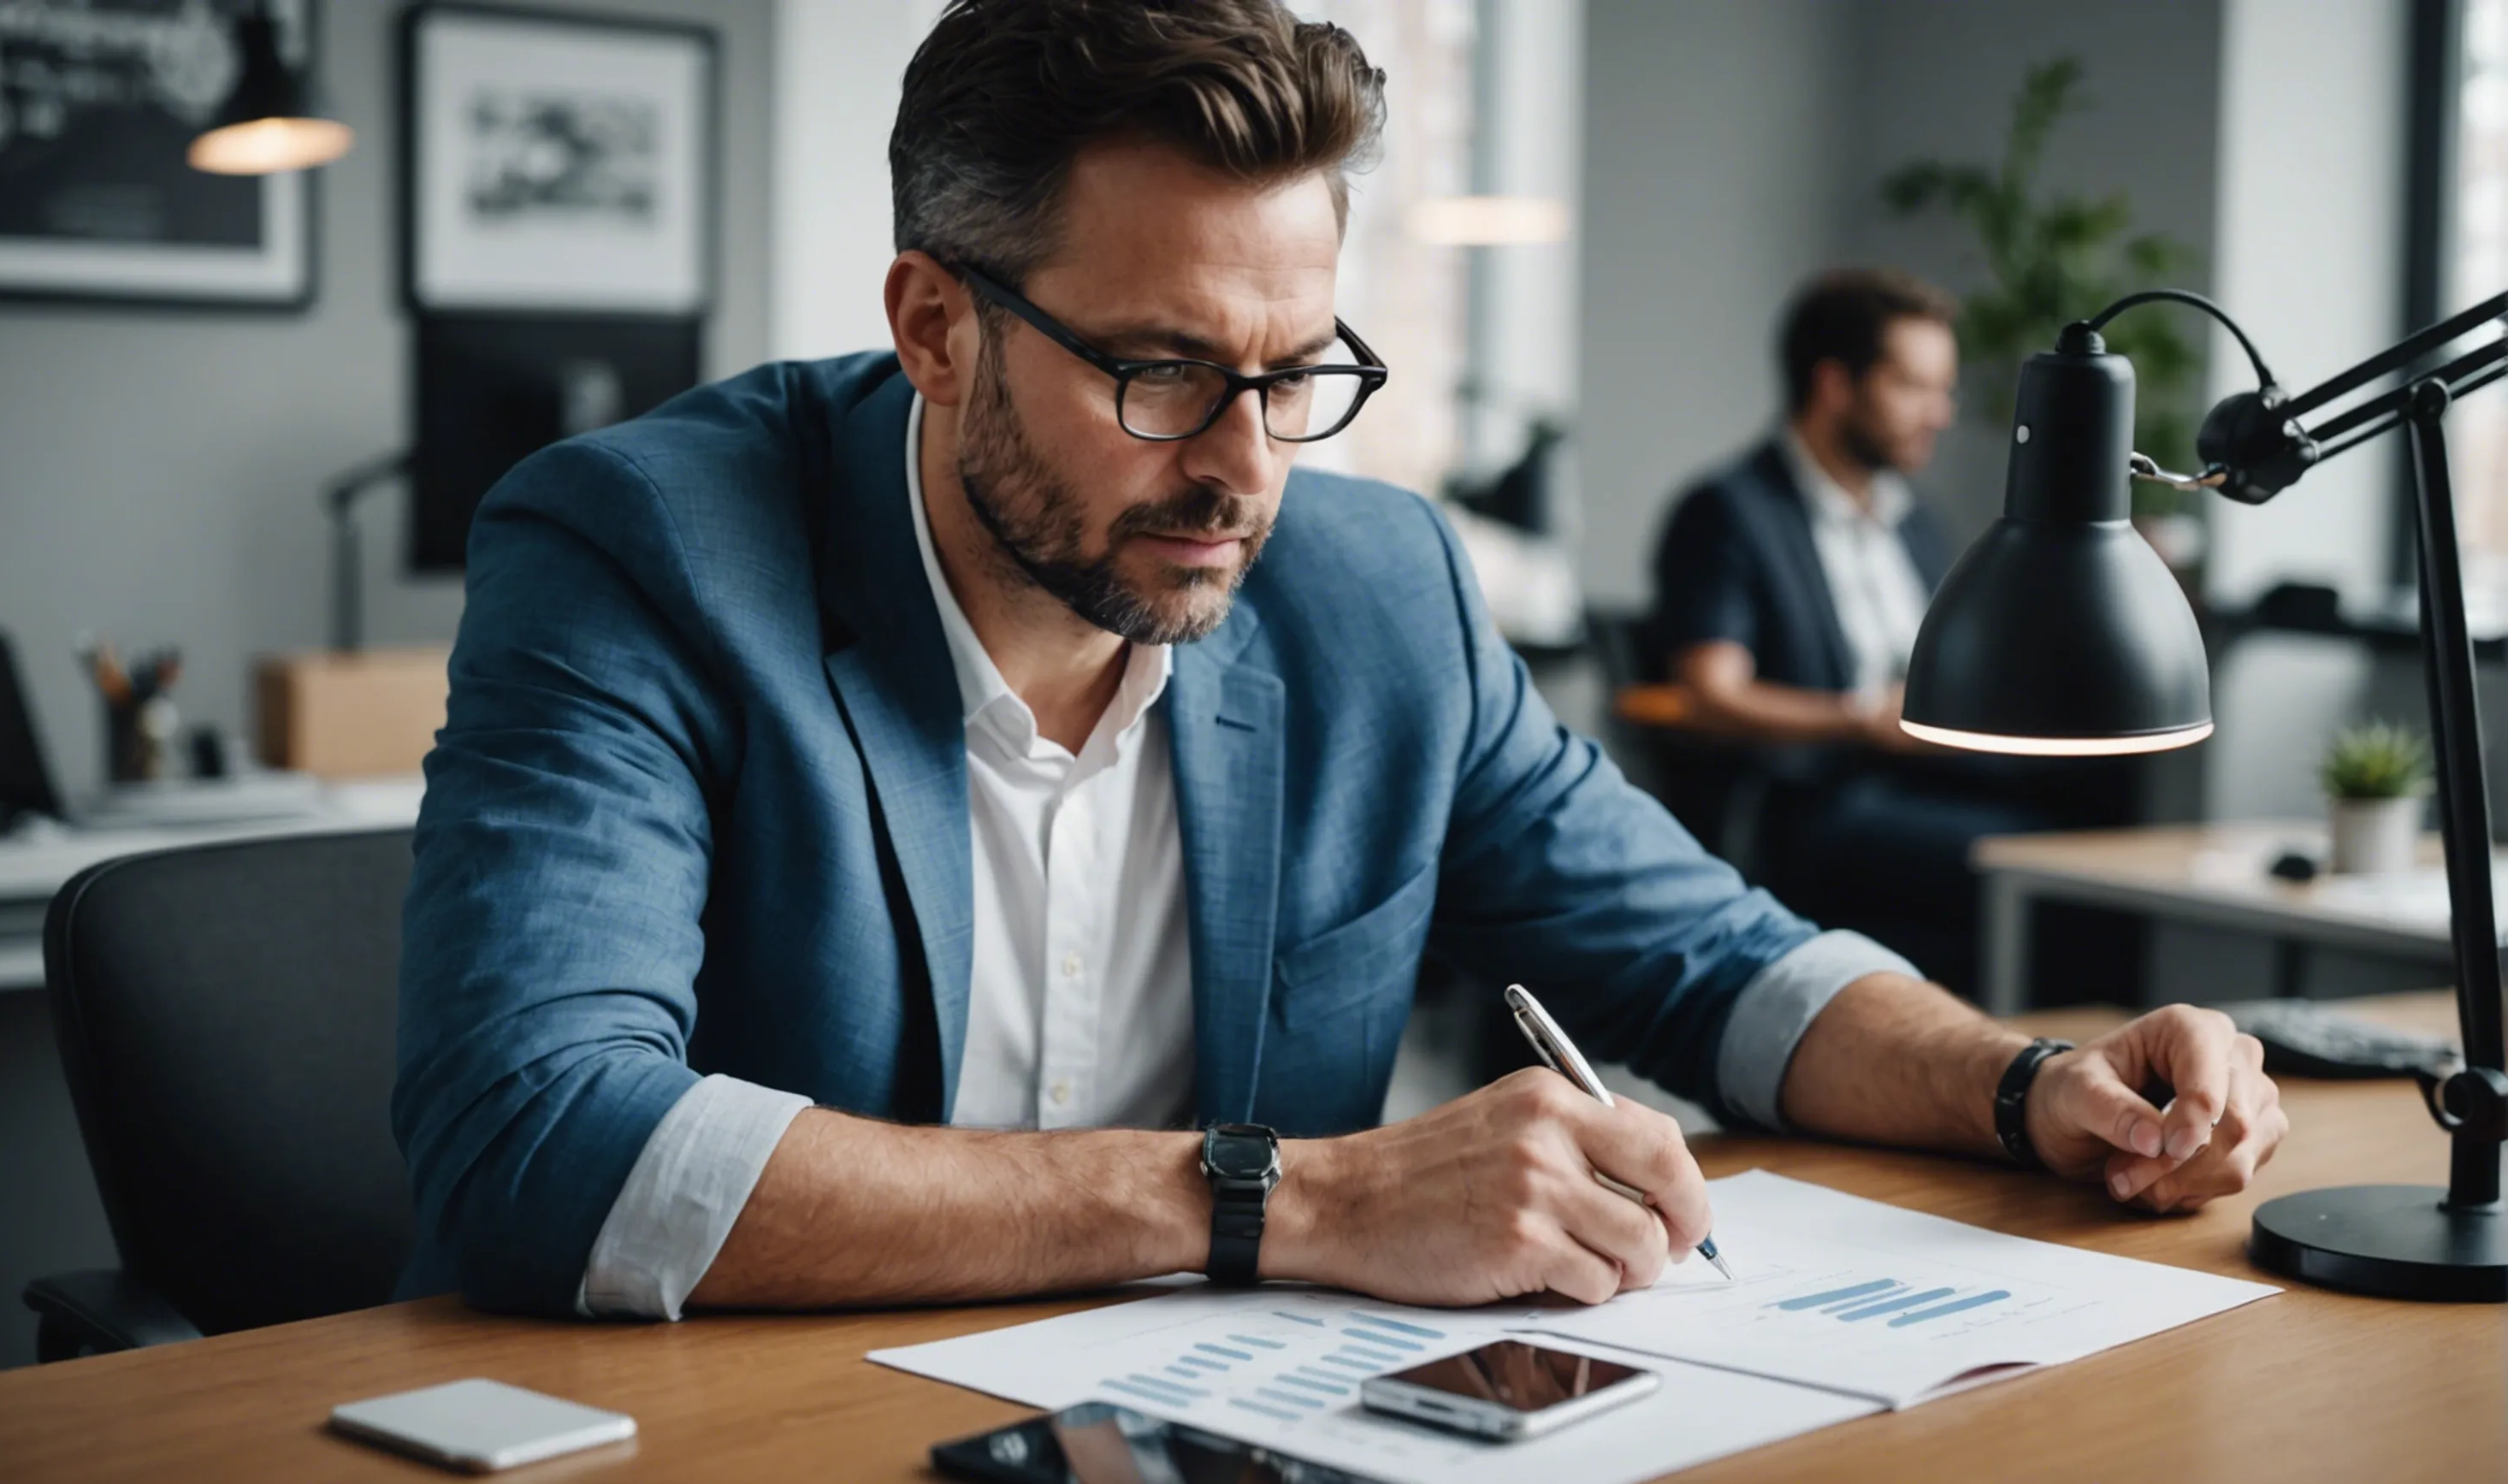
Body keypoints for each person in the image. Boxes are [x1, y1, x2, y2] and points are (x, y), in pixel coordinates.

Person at [393, 0, 2284, 1323]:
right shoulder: (638, 550)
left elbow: (1706, 959)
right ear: (935, 326)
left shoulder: (1376, 583)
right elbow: (542, 1141)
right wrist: (1295, 1196)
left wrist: (2027, 1083)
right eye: (1160, 370)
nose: (1244, 465)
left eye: (1298, 372)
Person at [1649, 269, 2134, 988]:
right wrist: (1860, 719)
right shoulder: (1730, 511)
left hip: (1937, 776)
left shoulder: (1912, 520)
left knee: (2109, 811)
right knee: (2054, 871)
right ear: (1835, 384)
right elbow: (1711, 694)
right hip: (1820, 798)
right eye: (1914, 386)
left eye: (1944, 390)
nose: (1939, 414)